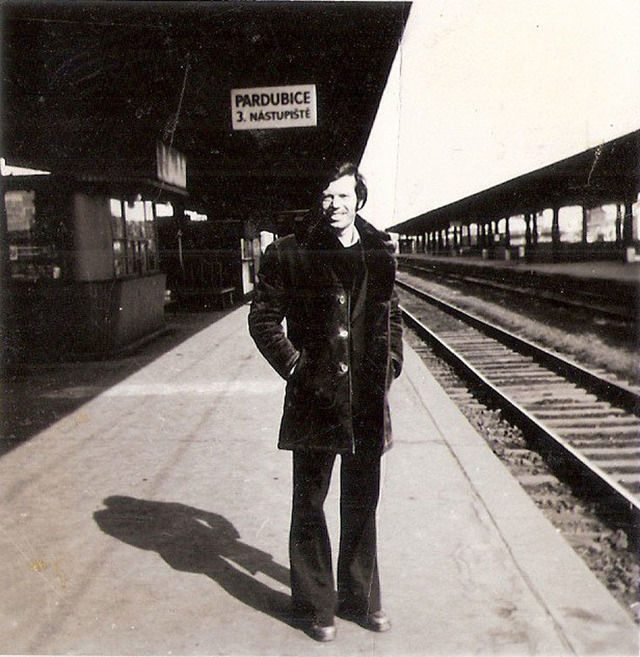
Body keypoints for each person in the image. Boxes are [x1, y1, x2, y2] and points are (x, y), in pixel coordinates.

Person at [248, 162, 403, 642]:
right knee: (310, 504)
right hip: (314, 398)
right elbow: (263, 319)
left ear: (359, 199)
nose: (335, 205)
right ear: (320, 201)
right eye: (328, 197)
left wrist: (390, 364)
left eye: (343, 196)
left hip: (366, 398)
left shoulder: (378, 251)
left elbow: (392, 314)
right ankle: (316, 605)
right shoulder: (289, 252)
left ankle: (359, 597)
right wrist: (296, 367)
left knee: (362, 502)